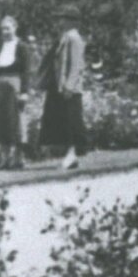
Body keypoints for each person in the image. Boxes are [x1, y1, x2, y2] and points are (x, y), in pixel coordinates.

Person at [37, 11, 90, 170]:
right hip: (60, 86)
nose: (61, 21)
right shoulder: (65, 37)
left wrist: (69, 85)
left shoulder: (74, 38)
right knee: (63, 122)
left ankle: (72, 154)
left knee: (71, 122)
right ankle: (70, 154)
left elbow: (76, 64)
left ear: (72, 21)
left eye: (64, 19)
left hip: (69, 88)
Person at [0, 15, 33, 169]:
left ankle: (19, 158)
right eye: (3, 29)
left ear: (15, 27)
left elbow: (26, 71)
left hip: (15, 85)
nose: (5, 31)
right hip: (1, 87)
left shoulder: (22, 47)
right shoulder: (1, 47)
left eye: (8, 28)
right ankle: (5, 159)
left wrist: (25, 92)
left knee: (17, 121)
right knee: (2, 122)